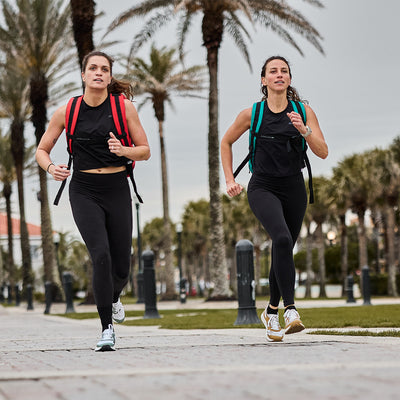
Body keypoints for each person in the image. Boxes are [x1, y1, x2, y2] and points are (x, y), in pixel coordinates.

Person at [36, 51, 150, 351]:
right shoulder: (67, 111)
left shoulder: (124, 108)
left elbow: (145, 150)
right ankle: (106, 329)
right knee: (100, 255)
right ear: (84, 75)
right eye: (93, 68)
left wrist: (124, 150)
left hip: (116, 187)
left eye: (104, 69)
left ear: (110, 77)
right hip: (84, 188)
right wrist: (52, 168)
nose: (98, 73)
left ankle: (113, 297)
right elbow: (42, 150)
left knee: (122, 265)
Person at [221, 56, 328, 342]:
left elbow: (323, 151)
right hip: (263, 187)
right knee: (281, 239)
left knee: (284, 248)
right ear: (264, 80)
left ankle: (270, 311)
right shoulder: (252, 114)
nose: (279, 75)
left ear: (289, 79)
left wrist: (303, 131)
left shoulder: (303, 112)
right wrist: (230, 179)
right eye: (273, 71)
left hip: (294, 188)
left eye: (284, 71)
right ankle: (290, 310)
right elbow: (226, 141)